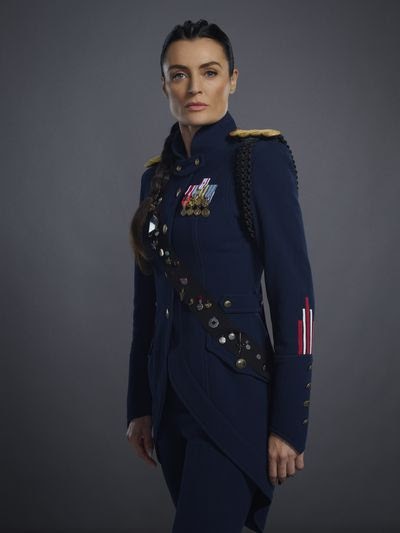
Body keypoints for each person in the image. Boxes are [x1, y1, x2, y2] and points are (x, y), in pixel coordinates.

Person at [125, 19, 316, 533]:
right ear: (164, 85)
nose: (194, 88)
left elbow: (295, 297)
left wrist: (289, 421)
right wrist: (140, 404)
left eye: (209, 73)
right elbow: (147, 304)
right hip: (170, 404)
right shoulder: (155, 178)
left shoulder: (256, 160)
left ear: (232, 79)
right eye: (179, 75)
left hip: (233, 399)